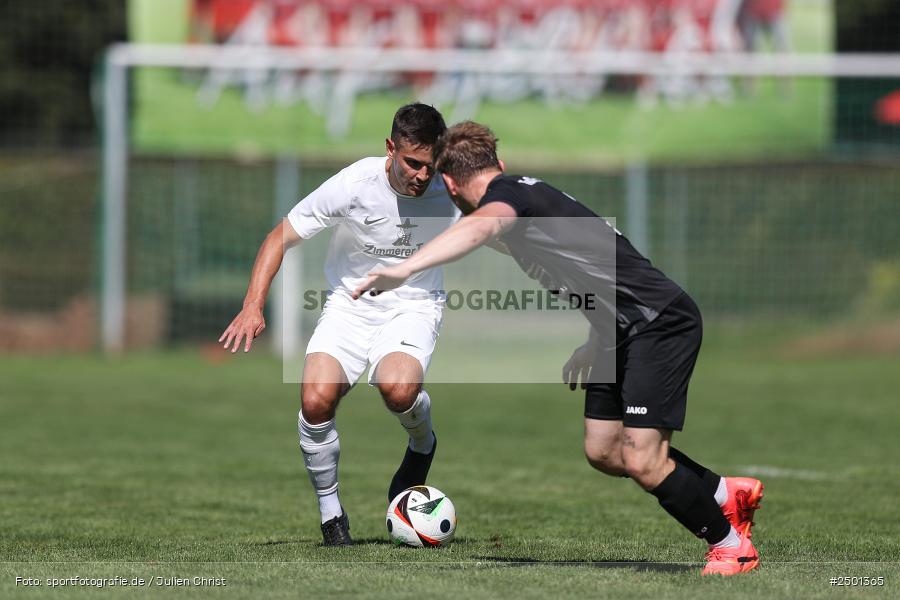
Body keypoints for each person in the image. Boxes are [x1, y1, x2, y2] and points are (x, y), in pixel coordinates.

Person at [352, 121, 764, 575]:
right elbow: (596, 271)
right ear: (498, 164)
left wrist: (404, 269)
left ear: (449, 183)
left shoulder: (510, 201)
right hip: (617, 330)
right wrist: (594, 340)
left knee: (644, 459)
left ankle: (731, 547)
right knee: (605, 450)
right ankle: (726, 493)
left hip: (658, 323)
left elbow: (480, 229)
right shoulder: (526, 201)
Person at [219, 103, 457, 546]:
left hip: (414, 304)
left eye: (431, 165)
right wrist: (253, 304)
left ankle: (422, 445)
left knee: (398, 389)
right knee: (315, 400)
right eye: (413, 163)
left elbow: (505, 218)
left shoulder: (452, 187)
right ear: (390, 149)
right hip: (350, 306)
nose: (423, 176)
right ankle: (332, 515)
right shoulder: (354, 184)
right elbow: (280, 236)